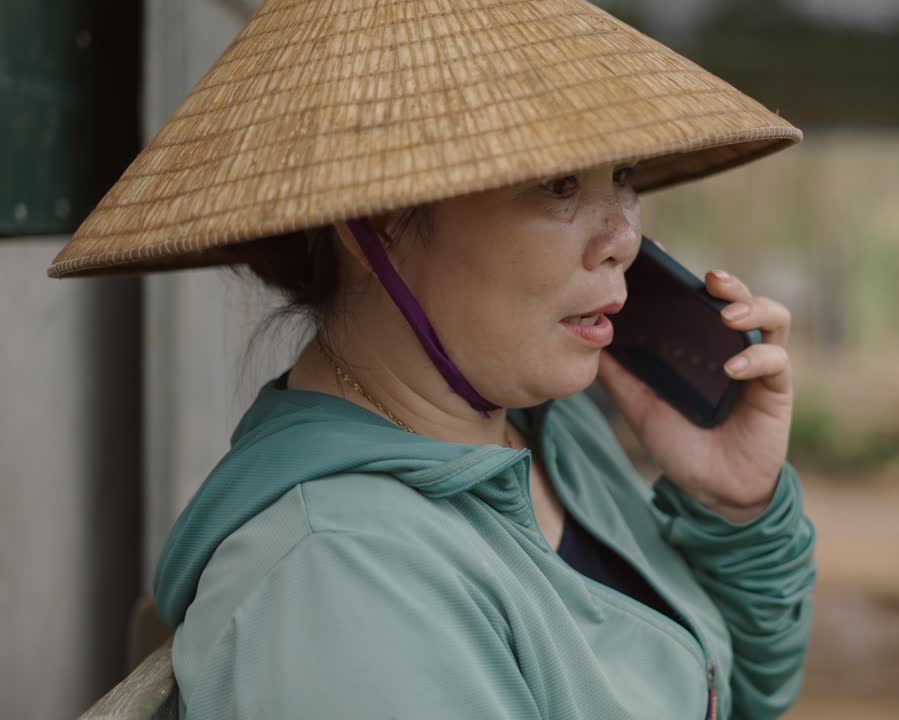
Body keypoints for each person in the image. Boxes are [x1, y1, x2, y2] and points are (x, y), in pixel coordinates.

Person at [49, 1, 816, 718]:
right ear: (379, 219)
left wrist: (735, 507)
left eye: (623, 177)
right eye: (558, 184)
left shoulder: (547, 430)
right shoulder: (339, 583)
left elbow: (743, 691)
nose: (623, 237)